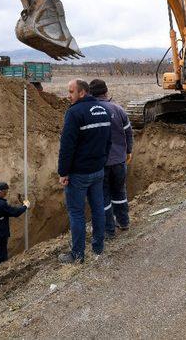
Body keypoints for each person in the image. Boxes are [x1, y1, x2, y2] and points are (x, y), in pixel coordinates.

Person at [58, 79, 112, 264]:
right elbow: (108, 141)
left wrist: (63, 172)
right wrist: (102, 162)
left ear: (82, 93)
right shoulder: (104, 110)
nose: (68, 95)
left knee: (77, 213)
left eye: (71, 91)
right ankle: (98, 247)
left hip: (79, 174)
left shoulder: (74, 113)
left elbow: (67, 146)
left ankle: (77, 255)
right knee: (98, 209)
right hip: (98, 171)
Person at [89, 79, 134, 238]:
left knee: (103, 196)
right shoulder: (118, 109)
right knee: (120, 192)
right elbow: (128, 133)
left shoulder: (90, 111)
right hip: (119, 161)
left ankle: (108, 230)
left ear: (90, 93)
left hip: (100, 163)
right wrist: (128, 151)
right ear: (106, 92)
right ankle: (124, 222)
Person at [0, 181, 30, 267]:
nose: (6, 193)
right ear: (0, 191)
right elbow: (15, 212)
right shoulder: (1, 204)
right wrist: (25, 206)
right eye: (6, 191)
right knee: (1, 258)